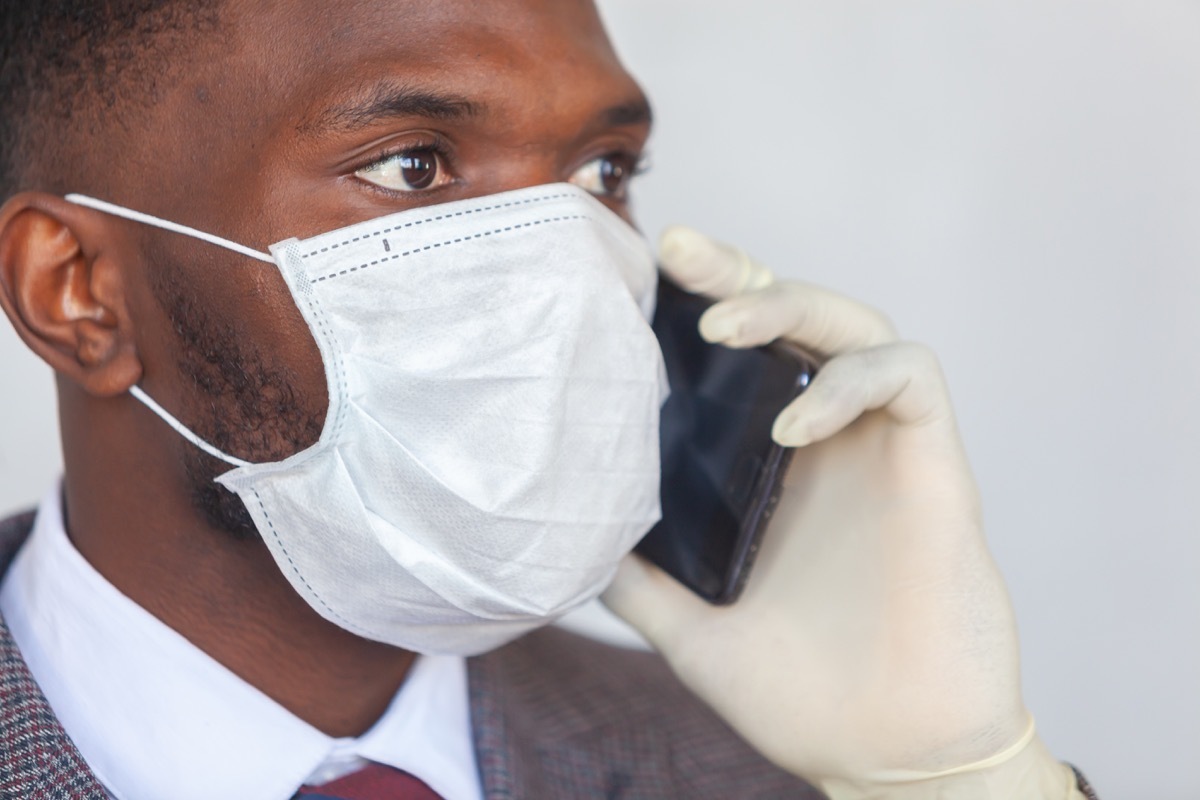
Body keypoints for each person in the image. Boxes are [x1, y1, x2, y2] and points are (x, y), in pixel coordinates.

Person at [0, 1, 1099, 798]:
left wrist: (963, 778)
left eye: (601, 173)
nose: (567, 272)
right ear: (77, 290)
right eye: (413, 166)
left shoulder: (744, 766)